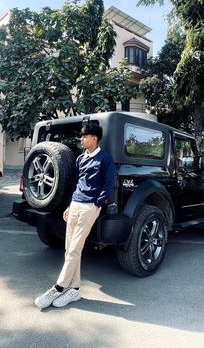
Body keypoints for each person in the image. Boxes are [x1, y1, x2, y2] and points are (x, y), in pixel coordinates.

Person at [35, 121, 115, 309]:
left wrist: (96, 204)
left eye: (84, 137)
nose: (81, 139)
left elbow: (108, 184)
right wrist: (70, 205)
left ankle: (58, 287)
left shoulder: (105, 159)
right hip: (75, 205)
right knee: (70, 249)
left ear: (94, 139)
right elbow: (76, 184)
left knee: (74, 249)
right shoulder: (81, 159)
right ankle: (75, 289)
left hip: (89, 207)